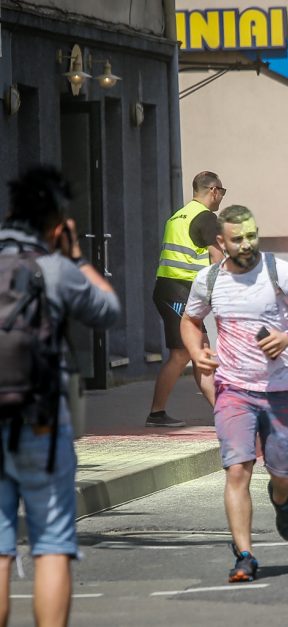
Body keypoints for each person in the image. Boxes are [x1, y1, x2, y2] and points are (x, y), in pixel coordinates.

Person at [181, 205, 288, 582]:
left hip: (281, 390)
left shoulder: (281, 272)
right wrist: (197, 351)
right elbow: (190, 320)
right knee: (237, 470)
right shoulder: (208, 280)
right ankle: (244, 555)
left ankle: (280, 498)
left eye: (251, 235)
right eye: (237, 238)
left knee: (284, 475)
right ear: (220, 241)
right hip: (233, 389)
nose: (247, 244)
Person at [0, 167, 120, 625]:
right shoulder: (56, 270)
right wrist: (76, 255)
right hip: (41, 423)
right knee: (51, 543)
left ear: (10, 213)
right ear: (55, 225)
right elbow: (108, 310)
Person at [147, 171, 225, 427]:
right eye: (222, 192)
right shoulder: (205, 218)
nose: (221, 198)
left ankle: (225, 413)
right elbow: (217, 258)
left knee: (200, 351)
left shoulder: (177, 216)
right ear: (213, 190)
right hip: (179, 292)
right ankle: (156, 414)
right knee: (182, 354)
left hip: (173, 290)